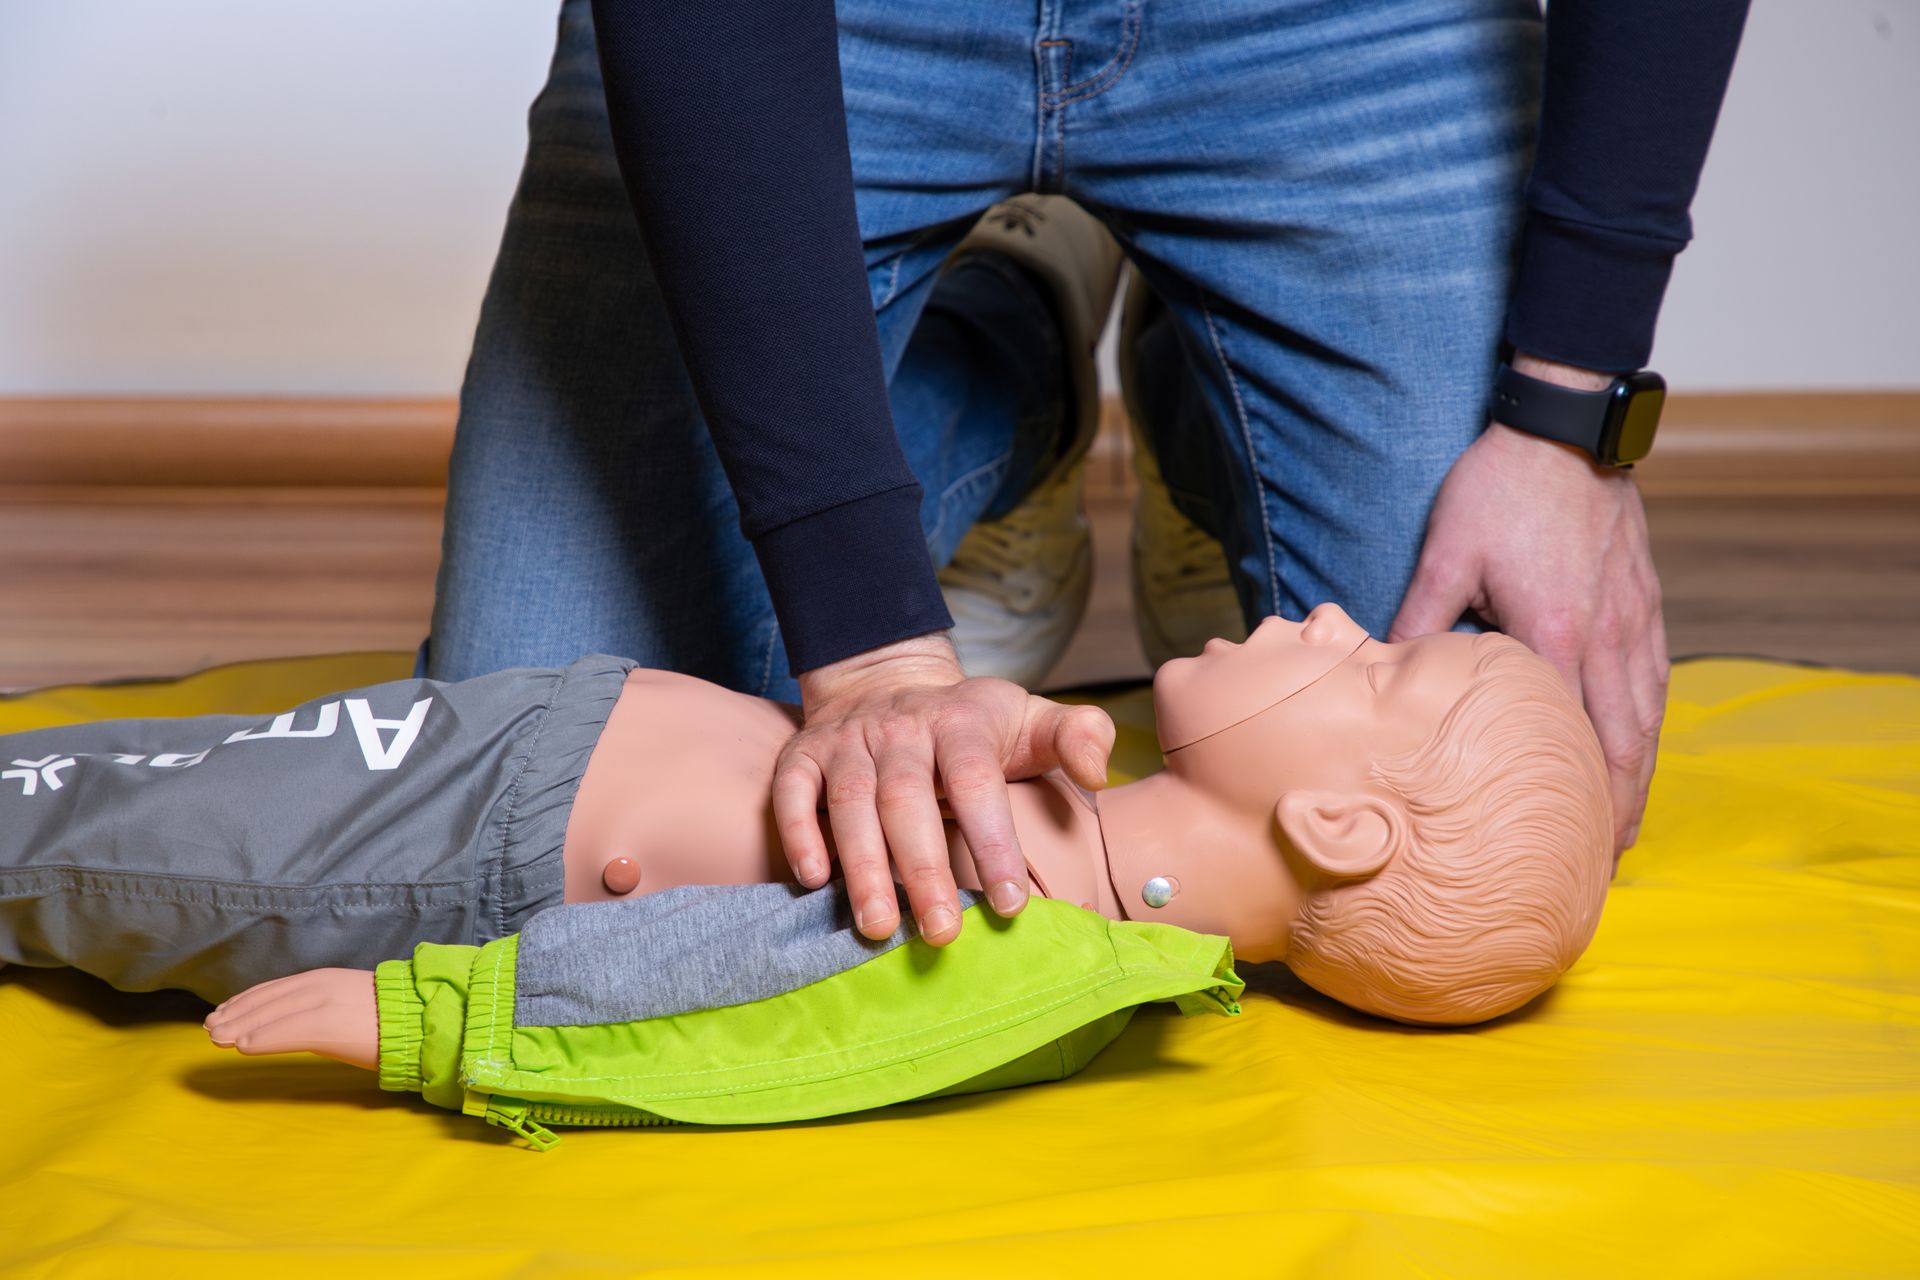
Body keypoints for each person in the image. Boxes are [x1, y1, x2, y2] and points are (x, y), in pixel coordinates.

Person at [425, 1, 1749, 954]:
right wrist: (873, 646)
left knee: (1492, 749)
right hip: (826, 29)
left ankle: (1207, 390)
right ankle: (1013, 354)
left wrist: (1566, 417)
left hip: (1338, 28)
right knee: (516, 811)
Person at [2, 603, 1609, 1031]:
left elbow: (718, 999)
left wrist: (423, 1021)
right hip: (522, 741)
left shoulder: (1041, 956)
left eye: (1378, 667)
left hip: (451, 852)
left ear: (1339, 827)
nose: (1336, 616)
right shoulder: (1090, 803)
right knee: (122, 770)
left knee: (75, 840)